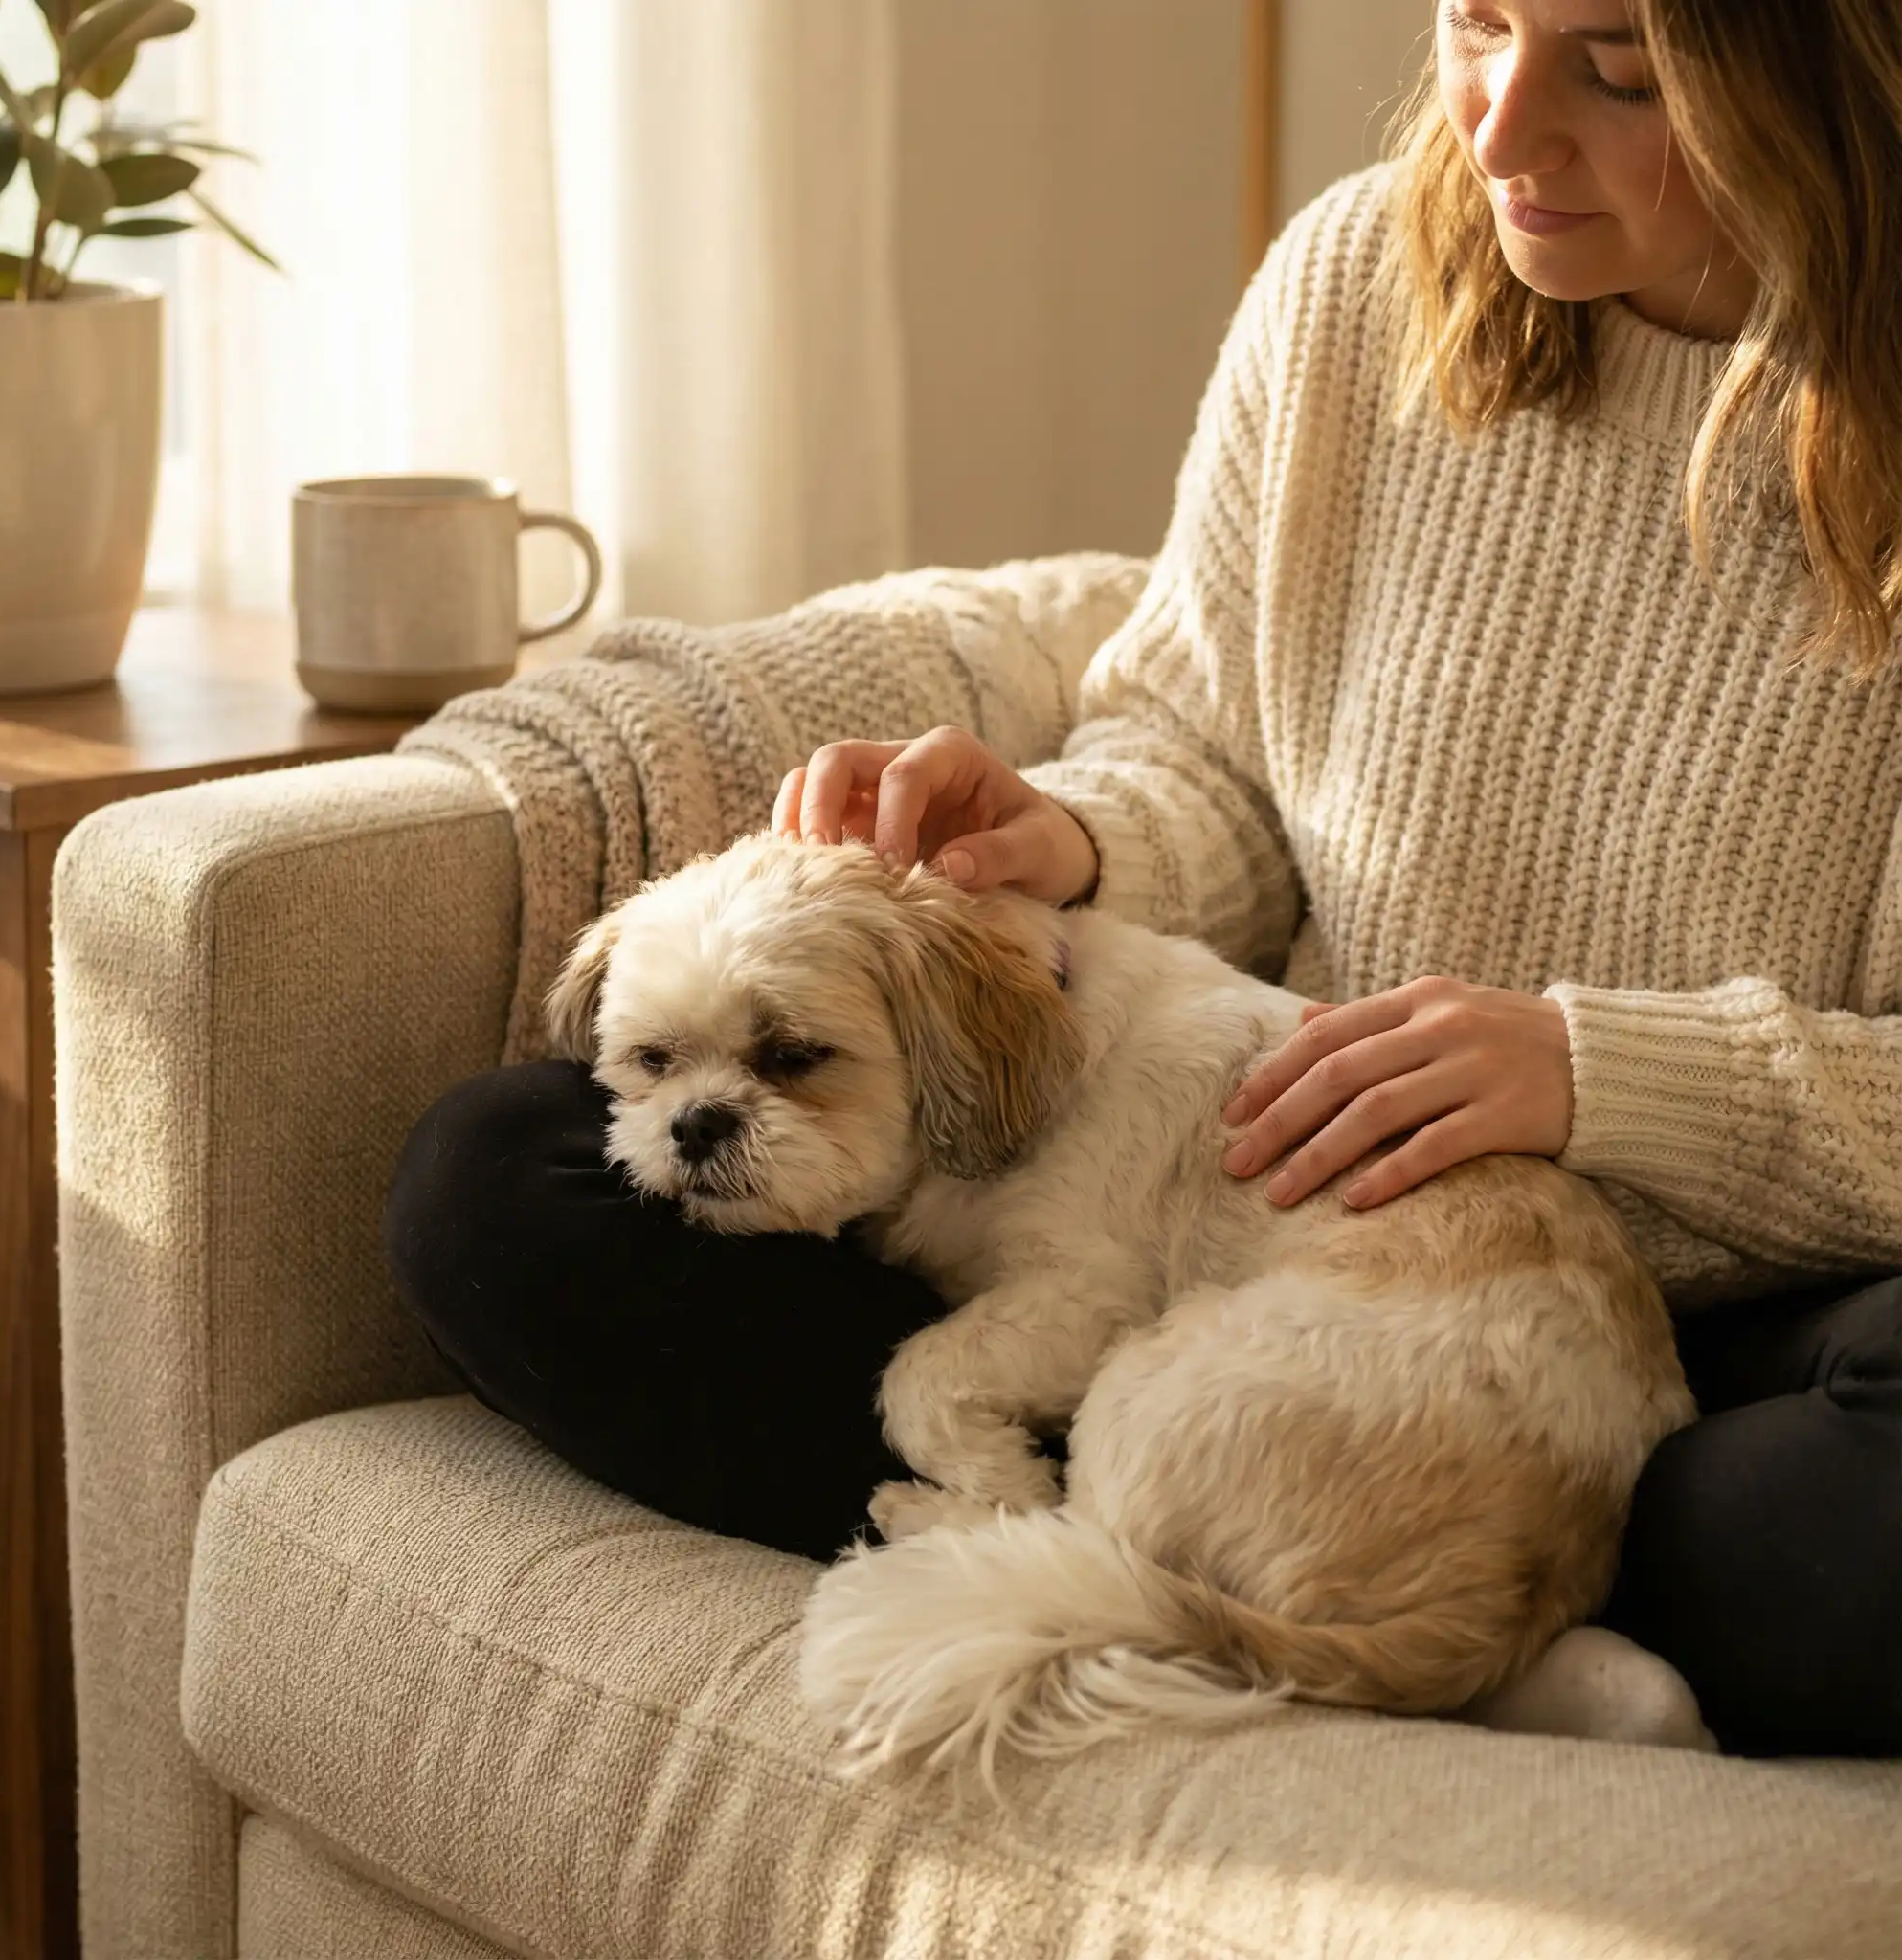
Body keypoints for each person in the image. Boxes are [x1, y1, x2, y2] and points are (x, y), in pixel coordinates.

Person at [387, 0, 1902, 1759]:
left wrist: (1597, 1077)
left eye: (1621, 69)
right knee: (491, 1183)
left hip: (1720, 1342)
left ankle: (1424, 1590)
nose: (1499, 136)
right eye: (1481, 22)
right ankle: (1396, 1603)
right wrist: (1071, 844)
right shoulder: (1361, 283)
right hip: (1234, 1246)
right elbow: (1212, 758)